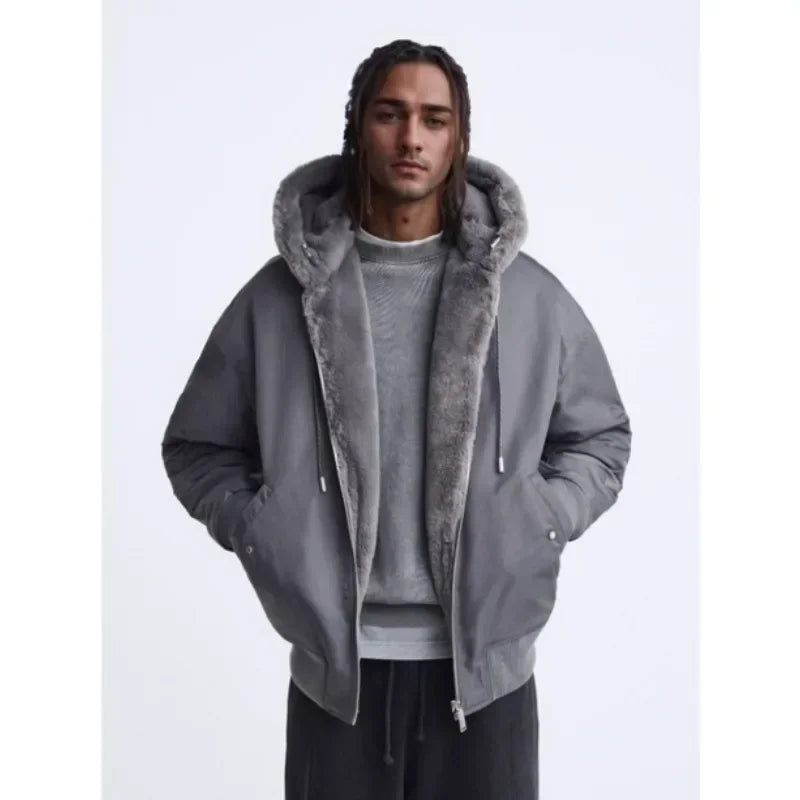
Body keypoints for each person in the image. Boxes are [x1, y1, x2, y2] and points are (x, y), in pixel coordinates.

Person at [161, 38, 632, 800]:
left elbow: (600, 436)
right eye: (391, 114)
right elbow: (196, 445)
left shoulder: (530, 298)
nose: (412, 137)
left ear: (459, 139)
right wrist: (259, 525)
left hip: (488, 682)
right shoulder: (280, 300)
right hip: (336, 683)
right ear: (358, 128)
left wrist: (542, 517)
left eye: (434, 119)